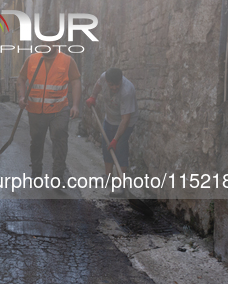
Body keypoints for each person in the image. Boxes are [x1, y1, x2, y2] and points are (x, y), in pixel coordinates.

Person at [16, 44, 81, 180]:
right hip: (35, 110)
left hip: (59, 110)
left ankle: (58, 176)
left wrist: (75, 105)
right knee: (36, 142)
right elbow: (21, 79)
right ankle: (36, 172)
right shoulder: (32, 59)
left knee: (60, 140)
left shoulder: (67, 60)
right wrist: (22, 97)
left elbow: (75, 82)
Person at [86, 68, 138, 193]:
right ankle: (108, 178)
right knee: (106, 147)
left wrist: (115, 139)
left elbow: (125, 120)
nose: (115, 88)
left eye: (117, 85)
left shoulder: (127, 91)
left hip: (126, 122)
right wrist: (93, 96)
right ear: (107, 81)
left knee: (120, 149)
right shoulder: (103, 77)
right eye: (111, 85)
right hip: (109, 118)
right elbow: (98, 84)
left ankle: (121, 185)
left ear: (121, 80)